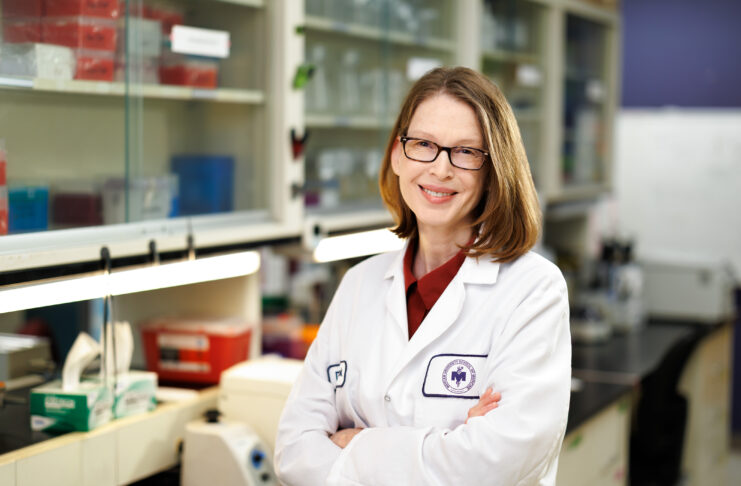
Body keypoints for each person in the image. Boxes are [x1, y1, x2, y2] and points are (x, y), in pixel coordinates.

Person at [275, 66, 571, 486]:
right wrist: (447, 443)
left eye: (466, 152)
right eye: (423, 145)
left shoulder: (532, 290)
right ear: (397, 155)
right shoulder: (359, 284)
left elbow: (493, 464)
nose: (440, 169)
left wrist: (355, 443)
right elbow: (292, 453)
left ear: (493, 170)